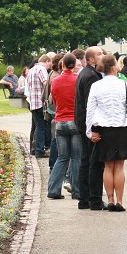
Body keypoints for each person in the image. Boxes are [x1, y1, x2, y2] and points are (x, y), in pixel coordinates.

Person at [85, 54, 127, 212]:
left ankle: (110, 200)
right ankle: (120, 201)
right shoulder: (125, 85)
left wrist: (89, 132)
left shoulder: (97, 86)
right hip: (121, 127)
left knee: (108, 166)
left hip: (104, 128)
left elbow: (90, 111)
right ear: (114, 67)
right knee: (119, 166)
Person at [47, 53, 82, 200]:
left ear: (62, 65)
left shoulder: (55, 81)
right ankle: (77, 190)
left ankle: (53, 189)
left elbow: (54, 100)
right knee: (76, 158)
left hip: (60, 121)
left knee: (62, 157)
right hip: (74, 120)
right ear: (74, 65)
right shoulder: (77, 80)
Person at [74, 46, 105, 210]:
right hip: (88, 124)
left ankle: (84, 199)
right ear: (92, 59)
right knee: (93, 162)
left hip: (82, 122)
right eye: (100, 54)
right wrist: (93, 129)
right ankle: (93, 199)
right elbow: (90, 105)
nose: (103, 56)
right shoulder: (91, 76)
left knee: (86, 161)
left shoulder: (86, 73)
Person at [26, 55, 52, 158]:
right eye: (49, 63)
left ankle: (37, 149)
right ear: (46, 61)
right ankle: (40, 150)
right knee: (42, 126)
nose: (50, 66)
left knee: (38, 126)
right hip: (41, 102)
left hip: (33, 102)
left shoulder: (31, 70)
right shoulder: (41, 69)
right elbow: (46, 84)